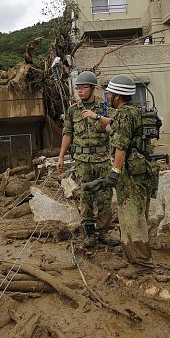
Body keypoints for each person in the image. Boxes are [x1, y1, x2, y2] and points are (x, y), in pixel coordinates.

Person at [83, 74, 157, 268]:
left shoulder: (124, 115)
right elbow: (113, 126)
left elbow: (121, 147)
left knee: (132, 216)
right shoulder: (135, 112)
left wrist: (114, 173)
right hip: (143, 171)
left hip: (130, 175)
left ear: (117, 96)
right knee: (140, 213)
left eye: (109, 93)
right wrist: (98, 117)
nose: (107, 97)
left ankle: (141, 263)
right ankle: (138, 256)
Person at [57, 71, 119, 248]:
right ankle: (89, 233)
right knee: (85, 197)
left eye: (84, 87)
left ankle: (104, 233)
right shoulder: (73, 109)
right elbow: (67, 133)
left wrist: (97, 117)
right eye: (78, 87)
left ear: (92, 88)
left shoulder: (104, 106)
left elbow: (114, 124)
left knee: (105, 196)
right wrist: (61, 157)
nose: (80, 91)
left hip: (102, 159)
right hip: (82, 161)